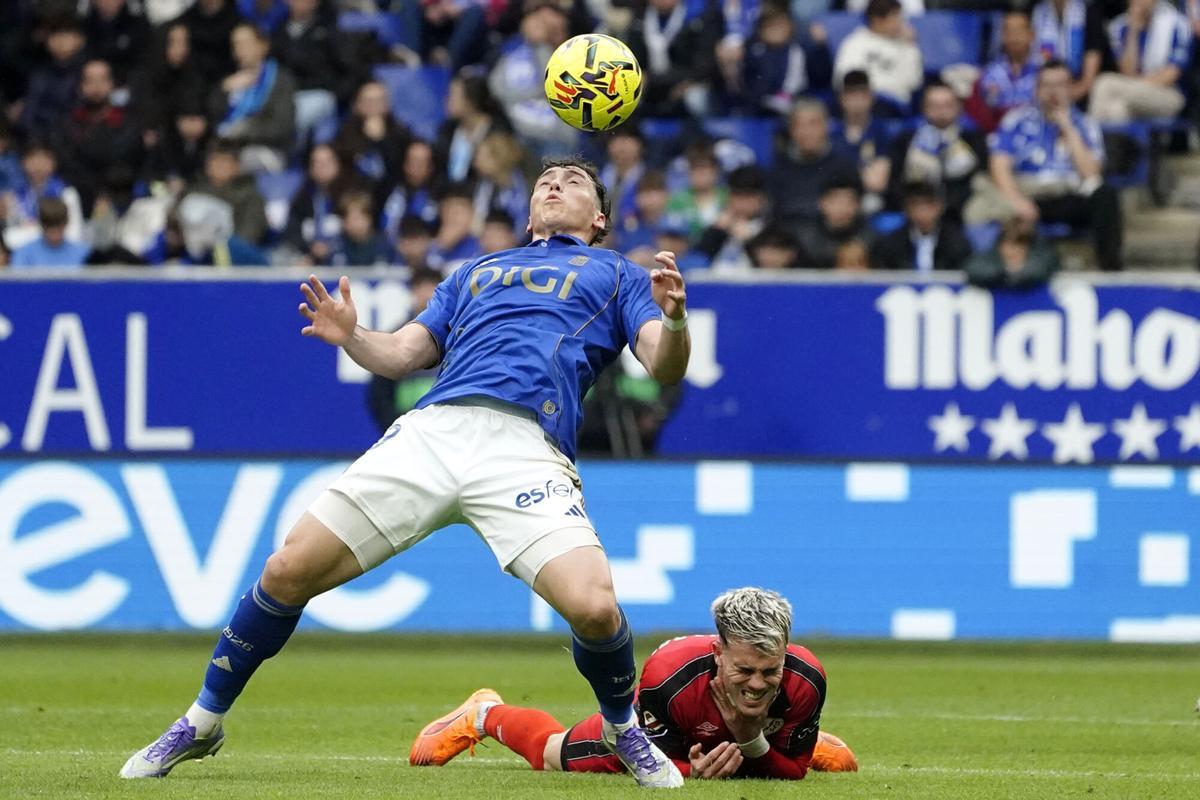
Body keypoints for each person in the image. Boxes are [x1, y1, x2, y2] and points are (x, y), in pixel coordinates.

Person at [120, 156, 693, 790]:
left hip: (526, 448)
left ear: (601, 217)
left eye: (574, 181)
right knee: (286, 570)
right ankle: (202, 722)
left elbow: (664, 367)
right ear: (530, 209)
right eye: (543, 181)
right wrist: (353, 335)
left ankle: (622, 727)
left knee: (594, 608)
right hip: (434, 432)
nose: (554, 185)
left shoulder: (616, 274)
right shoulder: (474, 271)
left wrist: (673, 319)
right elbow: (403, 354)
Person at [409, 587, 859, 779]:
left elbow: (792, 776)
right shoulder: (669, 678)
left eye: (770, 670)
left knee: (767, 751)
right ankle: (485, 713)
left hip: (748, 737)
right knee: (550, 754)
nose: (758, 685)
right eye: (744, 670)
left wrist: (752, 743)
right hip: (668, 739)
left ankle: (800, 737)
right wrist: (693, 773)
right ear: (718, 652)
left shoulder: (805, 679)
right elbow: (646, 764)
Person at [985, 59, 1121, 272]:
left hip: (1067, 194)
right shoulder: (1016, 121)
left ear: (1070, 87)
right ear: (1037, 88)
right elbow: (999, 166)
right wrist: (1017, 201)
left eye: (1060, 85)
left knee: (1105, 195)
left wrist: (1067, 126)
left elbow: (1091, 174)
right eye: (1046, 85)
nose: (1053, 92)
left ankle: (1111, 270)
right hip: (1029, 193)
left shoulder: (1085, 124)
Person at [885, 79, 987, 221]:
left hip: (957, 214)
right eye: (934, 106)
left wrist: (942, 208)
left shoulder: (972, 138)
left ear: (958, 107)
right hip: (911, 211)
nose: (941, 112)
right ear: (924, 108)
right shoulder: (907, 138)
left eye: (947, 106)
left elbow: (977, 180)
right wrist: (915, 208)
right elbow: (895, 181)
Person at [1089, 0, 1191, 124]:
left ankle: (1088, 137)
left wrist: (1136, 84)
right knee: (1117, 110)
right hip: (1133, 92)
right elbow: (1128, 72)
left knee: (1105, 84)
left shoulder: (1177, 24)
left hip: (1169, 94)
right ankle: (1098, 141)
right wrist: (1133, 32)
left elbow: (1169, 76)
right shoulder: (1120, 26)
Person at [832, 0, 923, 113]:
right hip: (866, 104)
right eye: (894, 18)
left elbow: (914, 82)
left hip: (897, 106)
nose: (900, 24)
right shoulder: (855, 43)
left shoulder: (906, 46)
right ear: (877, 20)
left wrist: (910, 46)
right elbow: (844, 79)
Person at [966, 10, 1041, 133]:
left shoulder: (1044, 70)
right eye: (1009, 32)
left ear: (1032, 34)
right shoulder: (989, 73)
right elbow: (984, 112)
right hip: (997, 135)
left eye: (1019, 31)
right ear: (1002, 36)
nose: (1015, 37)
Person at [870, 181, 971, 272]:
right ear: (907, 209)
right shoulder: (890, 244)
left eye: (928, 205)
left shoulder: (956, 243)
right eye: (916, 205)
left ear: (939, 207)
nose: (922, 212)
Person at [964, 217, 1061, 289]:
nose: (1015, 251)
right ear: (1000, 246)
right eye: (1010, 245)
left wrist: (1018, 272)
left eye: (1020, 246)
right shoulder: (989, 258)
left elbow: (1045, 267)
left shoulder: (1041, 258)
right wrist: (1005, 273)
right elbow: (973, 270)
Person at [10, 197, 90, 269]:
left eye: (58, 225)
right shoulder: (23, 254)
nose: (54, 232)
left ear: (66, 223)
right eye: (49, 226)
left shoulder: (84, 254)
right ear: (41, 224)